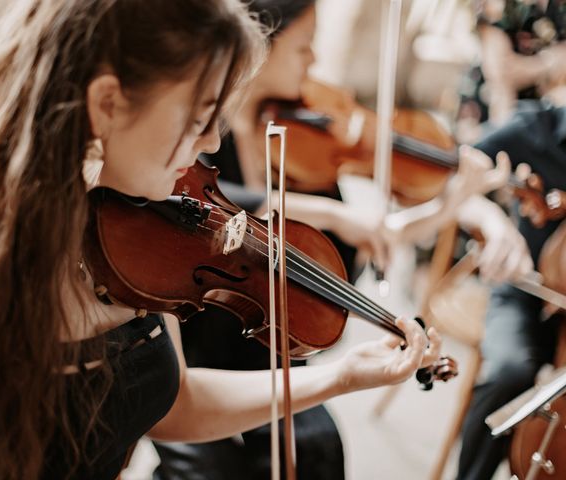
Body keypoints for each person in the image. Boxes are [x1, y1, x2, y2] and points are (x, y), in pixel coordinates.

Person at [0, 1, 444, 480]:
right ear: (107, 103)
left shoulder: (144, 224)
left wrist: (342, 377)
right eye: (198, 120)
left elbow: (179, 404)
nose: (212, 144)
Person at [152, 1, 534, 479]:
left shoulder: (307, 147)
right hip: (202, 351)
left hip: (272, 353)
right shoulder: (201, 141)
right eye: (303, 48)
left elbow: (377, 230)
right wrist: (334, 213)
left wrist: (458, 204)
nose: (314, 63)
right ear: (259, 49)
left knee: (320, 451)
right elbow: (219, 203)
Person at [456, 105, 566, 479]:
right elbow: (457, 178)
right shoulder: (535, 129)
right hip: (524, 294)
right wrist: (495, 223)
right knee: (508, 371)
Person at [457, 0, 566, 143]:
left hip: (539, 118)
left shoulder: (557, 10)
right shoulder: (499, 8)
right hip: (490, 112)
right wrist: (547, 63)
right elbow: (502, 75)